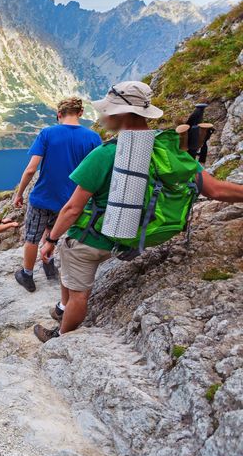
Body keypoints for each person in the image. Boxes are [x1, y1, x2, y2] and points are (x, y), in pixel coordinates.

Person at [35, 81, 243, 342]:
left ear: (120, 114)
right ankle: (62, 310)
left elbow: (72, 208)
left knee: (78, 290)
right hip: (133, 236)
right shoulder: (167, 147)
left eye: (107, 110)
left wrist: (51, 240)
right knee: (71, 272)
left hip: (90, 239)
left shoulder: (105, 153)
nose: (103, 115)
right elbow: (216, 190)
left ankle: (61, 337)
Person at [14, 97, 101, 293]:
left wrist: (19, 194)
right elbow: (95, 172)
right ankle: (49, 265)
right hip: (69, 202)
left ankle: (27, 275)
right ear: (80, 113)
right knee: (52, 234)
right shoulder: (93, 138)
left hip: (42, 197)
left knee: (32, 238)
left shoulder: (47, 133)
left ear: (59, 115)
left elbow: (30, 170)